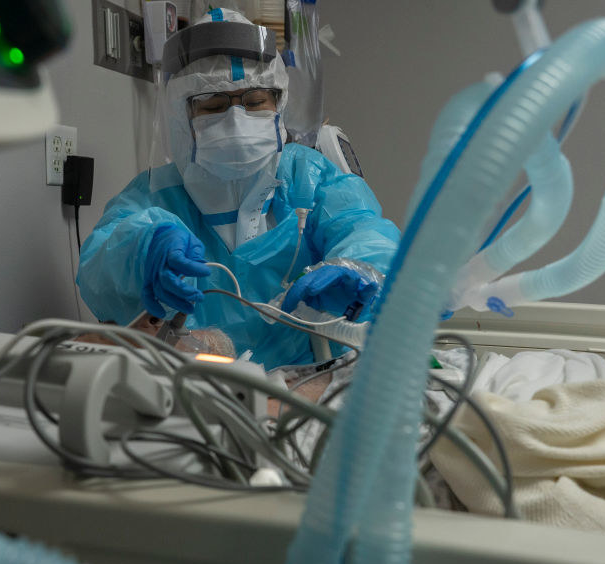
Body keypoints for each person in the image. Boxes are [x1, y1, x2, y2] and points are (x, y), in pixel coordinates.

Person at [77, 8, 400, 369]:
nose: (236, 120)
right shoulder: (153, 196)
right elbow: (99, 267)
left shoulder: (307, 176)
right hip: (201, 387)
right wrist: (142, 252)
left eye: (255, 102)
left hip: (311, 382)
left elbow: (364, 228)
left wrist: (359, 267)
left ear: (279, 104)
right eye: (213, 105)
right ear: (179, 117)